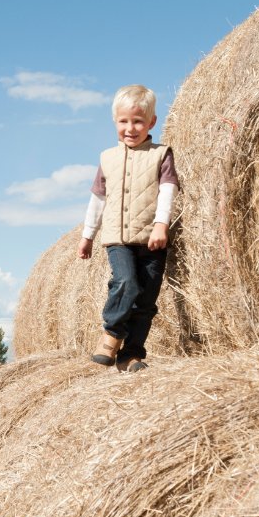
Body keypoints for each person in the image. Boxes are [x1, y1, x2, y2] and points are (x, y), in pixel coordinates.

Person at [76, 84, 179, 372]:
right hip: (117, 238)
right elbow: (97, 200)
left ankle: (131, 355)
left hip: (151, 239)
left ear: (151, 123)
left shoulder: (161, 154)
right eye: (124, 121)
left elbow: (168, 190)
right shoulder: (107, 158)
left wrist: (161, 224)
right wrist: (87, 236)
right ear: (115, 121)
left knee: (146, 301)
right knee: (126, 283)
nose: (130, 128)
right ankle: (112, 333)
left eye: (138, 121)